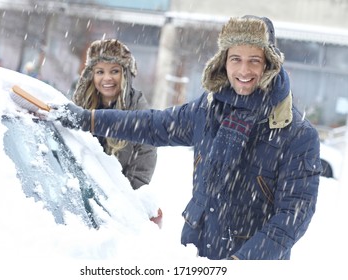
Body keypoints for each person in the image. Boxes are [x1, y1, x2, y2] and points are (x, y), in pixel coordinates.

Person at [50, 16, 322, 260]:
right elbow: (153, 125)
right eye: (235, 59)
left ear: (270, 65)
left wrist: (240, 266)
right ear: (223, 62)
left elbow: (292, 218)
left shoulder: (296, 134)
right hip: (195, 256)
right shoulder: (209, 109)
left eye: (255, 60)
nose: (243, 70)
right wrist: (88, 119)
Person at [70, 39, 158, 190]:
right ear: (91, 76)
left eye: (114, 71)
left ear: (125, 74)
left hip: (114, 201)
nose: (107, 78)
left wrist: (123, 198)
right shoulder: (81, 107)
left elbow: (143, 166)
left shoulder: (138, 110)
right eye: (100, 72)